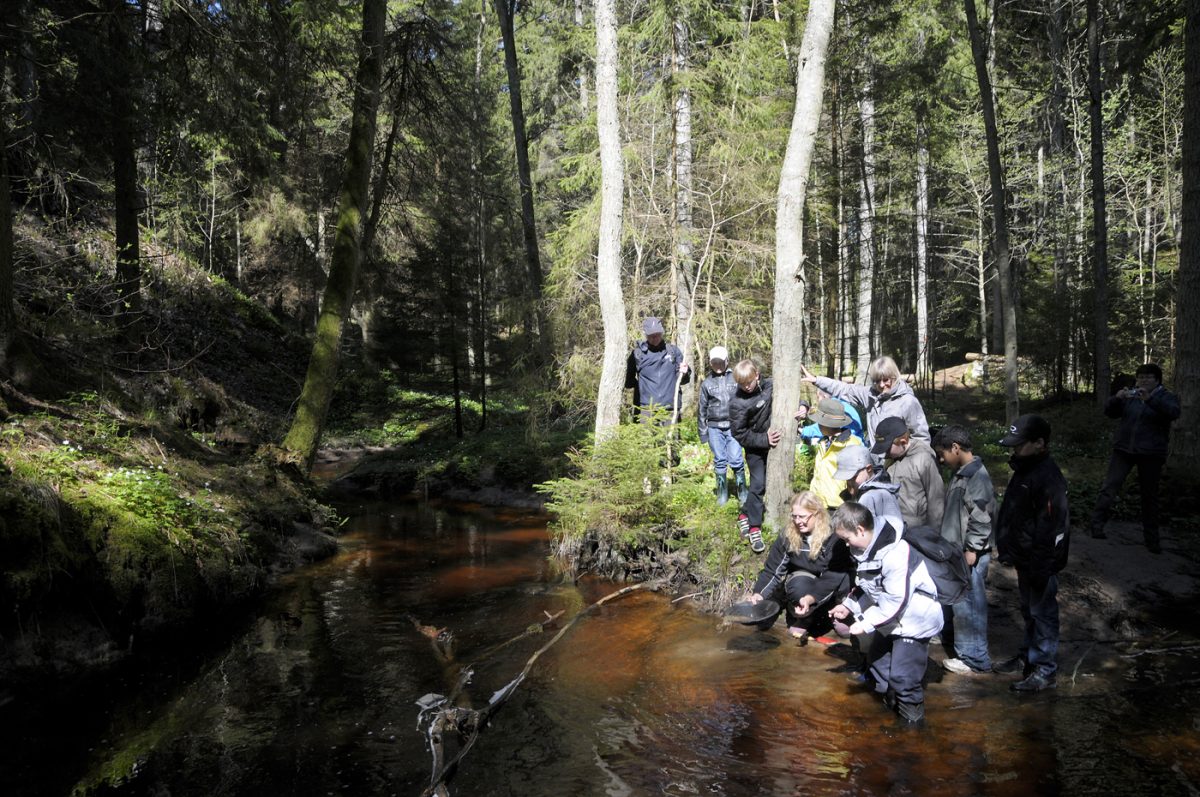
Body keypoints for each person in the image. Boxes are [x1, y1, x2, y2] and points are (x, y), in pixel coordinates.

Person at [829, 501, 943, 725]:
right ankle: (891, 708)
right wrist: (848, 606)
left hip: (915, 620)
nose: (845, 544)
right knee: (878, 665)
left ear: (860, 530)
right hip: (891, 619)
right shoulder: (863, 549)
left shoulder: (896, 553)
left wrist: (864, 623)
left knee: (902, 676)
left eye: (846, 539)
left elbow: (895, 601)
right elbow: (866, 587)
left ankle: (913, 725)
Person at [994, 414, 1070, 692]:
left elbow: (1053, 528)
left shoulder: (1048, 477)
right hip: (1024, 556)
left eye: (1019, 444)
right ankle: (1028, 656)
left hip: (1041, 561)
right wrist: (1006, 546)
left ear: (1039, 443)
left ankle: (1045, 669)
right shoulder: (1024, 469)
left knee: (1043, 613)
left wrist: (1042, 565)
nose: (1014, 450)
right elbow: (1013, 514)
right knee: (1029, 610)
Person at [1089, 363, 1180, 553]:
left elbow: (1173, 412)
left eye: (1148, 378)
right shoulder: (1132, 396)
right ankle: (1096, 526)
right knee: (1109, 487)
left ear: (1157, 380)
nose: (1143, 381)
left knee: (1149, 496)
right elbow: (1110, 413)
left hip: (1151, 454)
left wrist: (1150, 400)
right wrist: (1117, 398)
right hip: (1123, 450)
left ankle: (1151, 539)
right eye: (1140, 377)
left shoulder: (1166, 397)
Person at [932, 425, 996, 676]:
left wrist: (972, 548)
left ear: (955, 448)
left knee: (969, 603)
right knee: (956, 599)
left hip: (969, 553)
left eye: (942, 453)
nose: (940, 458)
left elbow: (981, 517)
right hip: (956, 549)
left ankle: (974, 658)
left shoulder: (976, 477)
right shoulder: (962, 473)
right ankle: (952, 638)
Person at [747, 492, 853, 642]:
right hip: (805, 580)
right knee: (798, 586)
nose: (798, 521)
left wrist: (812, 598)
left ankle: (839, 612)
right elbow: (773, 571)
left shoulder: (834, 536)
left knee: (846, 580)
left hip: (831, 581)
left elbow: (833, 577)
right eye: (794, 516)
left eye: (802, 517)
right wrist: (759, 594)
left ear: (817, 514)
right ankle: (804, 617)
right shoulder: (788, 535)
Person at [800, 356, 930, 446]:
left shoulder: (908, 401)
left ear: (894, 377)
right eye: (877, 381)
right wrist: (817, 380)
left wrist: (912, 460)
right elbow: (844, 389)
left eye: (886, 380)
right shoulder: (870, 395)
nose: (882, 385)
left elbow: (921, 436)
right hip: (876, 460)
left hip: (900, 461)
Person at [729, 360, 781, 554]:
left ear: (757, 375)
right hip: (755, 448)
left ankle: (744, 513)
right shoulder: (737, 402)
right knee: (758, 485)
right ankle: (754, 527)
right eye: (742, 384)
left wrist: (803, 405)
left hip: (773, 446)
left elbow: (789, 395)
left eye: (749, 382)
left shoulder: (769, 386)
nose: (746, 387)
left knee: (766, 484)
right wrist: (764, 439)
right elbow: (740, 433)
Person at [873, 416, 945, 531]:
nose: (884, 453)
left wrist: (933, 535)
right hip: (894, 527)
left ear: (903, 442)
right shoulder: (891, 458)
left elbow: (936, 501)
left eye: (887, 448)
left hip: (918, 531)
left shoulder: (924, 459)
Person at [698, 346, 747, 506]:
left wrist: (745, 423)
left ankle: (742, 493)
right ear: (710, 363)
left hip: (734, 426)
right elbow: (702, 409)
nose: (717, 365)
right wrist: (703, 432)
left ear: (726, 361)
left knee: (736, 459)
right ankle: (722, 495)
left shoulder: (735, 378)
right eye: (714, 362)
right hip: (714, 427)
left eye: (720, 362)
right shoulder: (706, 383)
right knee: (720, 460)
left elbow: (744, 401)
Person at [625, 316, 690, 423]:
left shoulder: (673, 351)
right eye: (651, 335)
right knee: (646, 440)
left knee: (671, 440)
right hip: (646, 409)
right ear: (646, 335)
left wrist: (685, 372)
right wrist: (643, 388)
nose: (655, 338)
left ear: (662, 333)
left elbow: (683, 380)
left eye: (658, 334)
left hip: (670, 408)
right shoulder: (637, 354)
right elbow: (628, 382)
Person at [806, 397, 864, 509]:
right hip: (819, 504)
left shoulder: (851, 444)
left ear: (825, 424)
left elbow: (858, 476)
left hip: (840, 505)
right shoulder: (823, 442)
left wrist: (850, 498)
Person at [834, 445, 903, 531]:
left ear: (869, 469)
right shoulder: (859, 492)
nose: (850, 482)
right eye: (847, 479)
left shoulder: (874, 496)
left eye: (853, 477)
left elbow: (894, 528)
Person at [796, 392, 863, 442]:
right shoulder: (839, 405)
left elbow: (825, 426)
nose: (817, 401)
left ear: (824, 397)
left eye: (818, 397)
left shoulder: (835, 410)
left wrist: (804, 431)